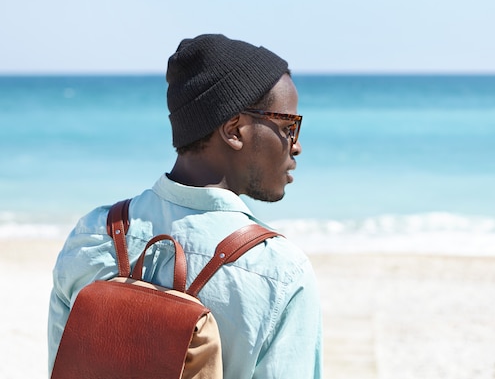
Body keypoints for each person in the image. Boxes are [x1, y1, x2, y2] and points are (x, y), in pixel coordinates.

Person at [47, 34, 323, 379]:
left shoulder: (92, 235)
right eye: (287, 126)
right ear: (234, 130)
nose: (295, 146)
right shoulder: (279, 271)